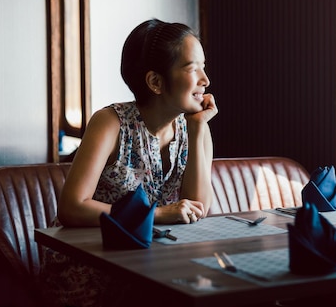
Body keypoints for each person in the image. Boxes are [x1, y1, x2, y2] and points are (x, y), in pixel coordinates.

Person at [42, 19, 217, 307]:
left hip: (149, 266)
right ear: (155, 82)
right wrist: (158, 214)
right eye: (191, 68)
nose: (205, 80)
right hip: (89, 271)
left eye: (203, 66)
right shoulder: (110, 122)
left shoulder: (194, 127)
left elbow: (198, 208)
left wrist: (198, 130)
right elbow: (72, 207)